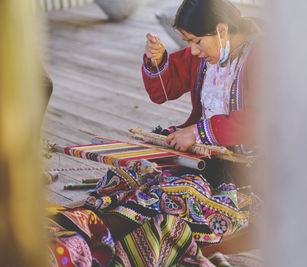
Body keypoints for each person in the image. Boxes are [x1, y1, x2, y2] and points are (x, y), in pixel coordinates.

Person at [47, 0, 263, 266]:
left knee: (170, 194)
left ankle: (86, 239)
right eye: (187, 42)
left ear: (221, 29)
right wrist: (158, 60)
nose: (192, 51)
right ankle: (81, 228)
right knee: (132, 173)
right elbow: (164, 89)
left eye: (195, 41)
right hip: (204, 157)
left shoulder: (263, 57)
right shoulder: (209, 54)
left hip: (247, 169)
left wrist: (198, 132)